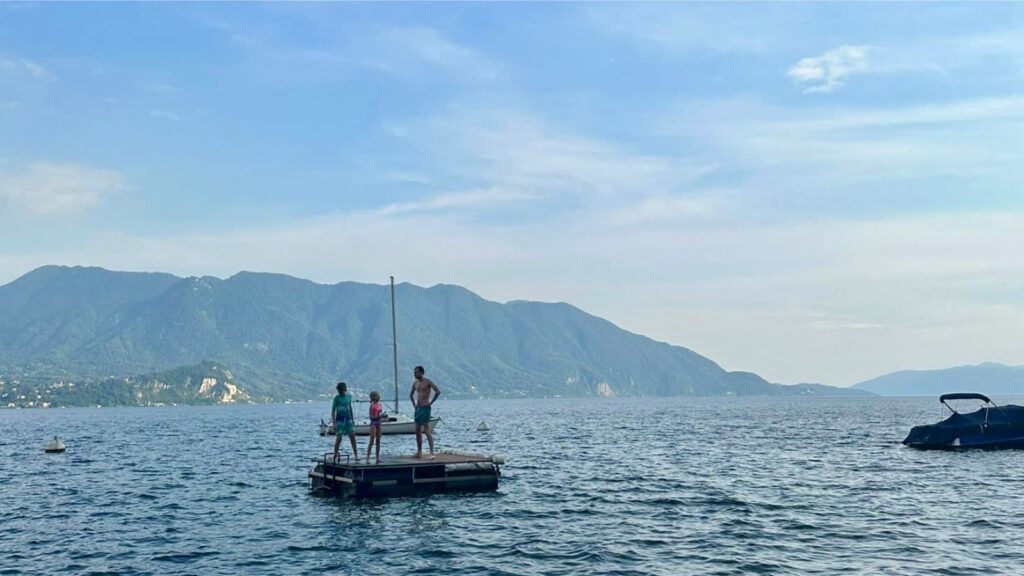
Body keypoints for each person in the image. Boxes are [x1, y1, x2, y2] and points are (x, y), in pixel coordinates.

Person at [408, 365, 441, 459]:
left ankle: (431, 452)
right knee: (417, 431)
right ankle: (419, 452)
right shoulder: (415, 383)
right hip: (418, 408)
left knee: (426, 430)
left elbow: (437, 391)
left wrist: (431, 402)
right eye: (414, 372)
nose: (415, 374)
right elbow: (410, 395)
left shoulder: (428, 382)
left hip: (426, 407)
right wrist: (414, 405)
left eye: (416, 372)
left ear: (422, 372)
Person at [332, 382, 358, 460]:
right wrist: (334, 423)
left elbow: (350, 408)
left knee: (352, 436)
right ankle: (335, 454)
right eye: (339, 390)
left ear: (344, 389)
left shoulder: (349, 397)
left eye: (341, 390)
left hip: (348, 419)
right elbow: (333, 411)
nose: (340, 392)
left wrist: (352, 419)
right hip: (339, 420)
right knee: (339, 438)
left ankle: (356, 455)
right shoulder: (336, 398)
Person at [366, 390, 384, 464]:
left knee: (378, 440)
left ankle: (377, 457)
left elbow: (380, 414)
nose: (378, 397)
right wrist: (378, 416)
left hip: (379, 423)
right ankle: (368, 457)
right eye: (376, 396)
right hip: (373, 423)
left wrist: (382, 416)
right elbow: (371, 417)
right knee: (372, 440)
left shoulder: (380, 405)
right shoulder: (372, 406)